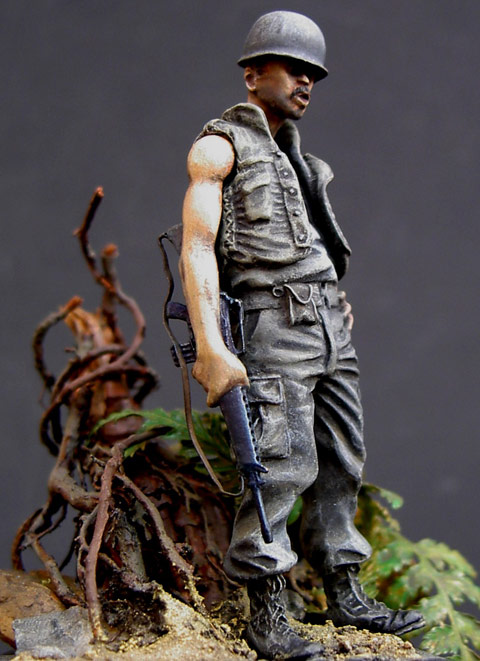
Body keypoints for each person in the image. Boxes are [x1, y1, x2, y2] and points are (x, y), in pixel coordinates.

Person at [179, 11, 424, 660]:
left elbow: (311, 240)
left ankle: (344, 589)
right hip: (273, 324)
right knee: (279, 463)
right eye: (293, 69)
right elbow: (197, 248)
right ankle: (266, 609)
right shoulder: (220, 147)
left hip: (327, 324)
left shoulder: (299, 159)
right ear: (253, 74)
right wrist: (211, 345)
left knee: (343, 457)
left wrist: (333, 297)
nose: (306, 82)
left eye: (313, 73)